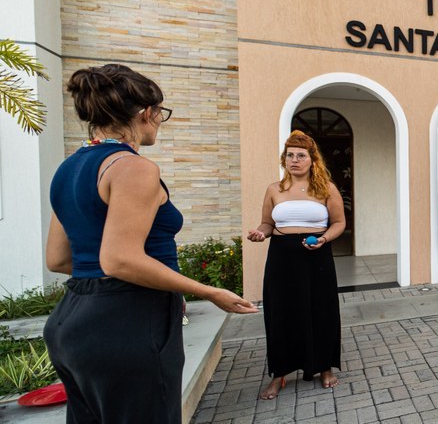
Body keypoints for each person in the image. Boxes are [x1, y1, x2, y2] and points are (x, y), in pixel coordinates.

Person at [43, 64, 257, 424]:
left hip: (70, 325)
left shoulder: (68, 169)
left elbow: (58, 258)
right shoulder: (133, 168)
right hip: (128, 323)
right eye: (162, 113)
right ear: (147, 113)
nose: (160, 121)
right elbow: (120, 260)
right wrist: (208, 291)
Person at [246, 130, 346, 399]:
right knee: (281, 312)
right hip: (282, 257)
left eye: (300, 155)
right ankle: (279, 374)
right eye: (289, 155)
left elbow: (339, 223)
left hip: (317, 256)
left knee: (321, 310)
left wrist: (323, 239)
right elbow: (267, 223)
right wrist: (260, 233)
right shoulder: (274, 190)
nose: (294, 160)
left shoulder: (326, 188)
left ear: (312, 160)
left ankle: (324, 367)